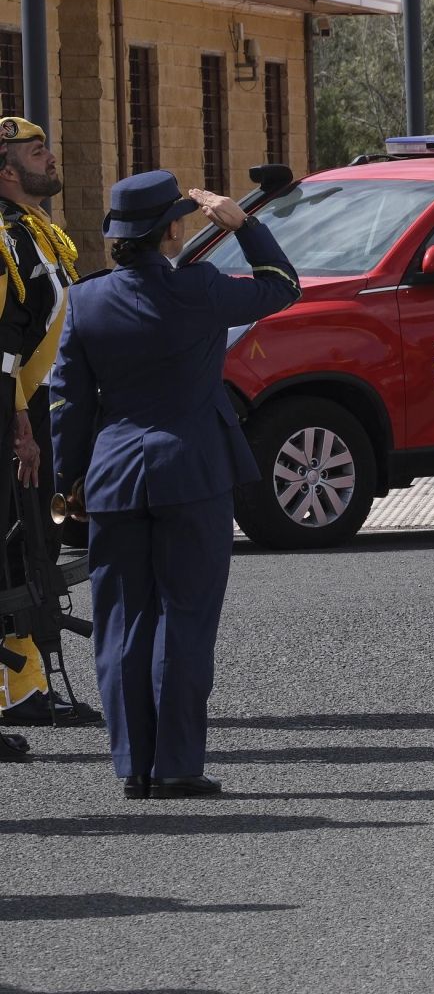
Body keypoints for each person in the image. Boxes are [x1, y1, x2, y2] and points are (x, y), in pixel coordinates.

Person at [50, 173, 300, 799]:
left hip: (113, 474)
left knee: (122, 622)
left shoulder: (85, 301)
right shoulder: (202, 288)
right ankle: (177, 763)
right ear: (171, 230)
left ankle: (133, 764)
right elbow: (283, 287)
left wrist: (69, 478)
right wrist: (242, 225)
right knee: (183, 618)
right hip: (192, 469)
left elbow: (68, 403)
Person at [0, 116, 99, 731]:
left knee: (35, 548)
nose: (52, 158)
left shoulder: (41, 234)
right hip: (17, 417)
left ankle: (32, 685)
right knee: (15, 549)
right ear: (8, 172)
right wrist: (20, 427)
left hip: (43, 411)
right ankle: (20, 690)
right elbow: (4, 344)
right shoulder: (8, 239)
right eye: (38, 153)